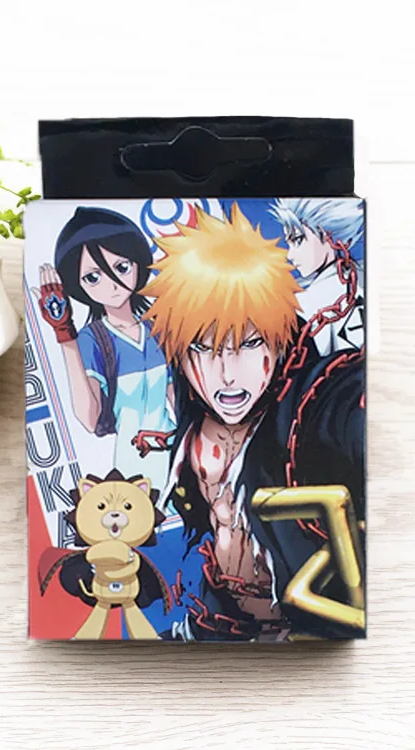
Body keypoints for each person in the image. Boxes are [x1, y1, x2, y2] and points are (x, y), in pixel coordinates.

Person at [138, 203, 365, 641]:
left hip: (307, 629)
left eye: (250, 343)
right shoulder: (187, 405)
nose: (227, 374)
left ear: (280, 337)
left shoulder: (312, 403)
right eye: (202, 348)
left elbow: (346, 410)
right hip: (217, 620)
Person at [34, 206, 175, 487]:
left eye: (122, 268)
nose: (112, 285)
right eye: (93, 277)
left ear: (137, 264)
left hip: (178, 452)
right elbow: (89, 418)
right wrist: (64, 335)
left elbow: (178, 400)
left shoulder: (158, 327)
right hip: (133, 466)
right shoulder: (93, 339)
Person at [270, 198, 365, 355]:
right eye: (289, 244)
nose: (290, 255)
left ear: (326, 235)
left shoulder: (303, 306)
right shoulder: (362, 278)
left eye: (298, 240)